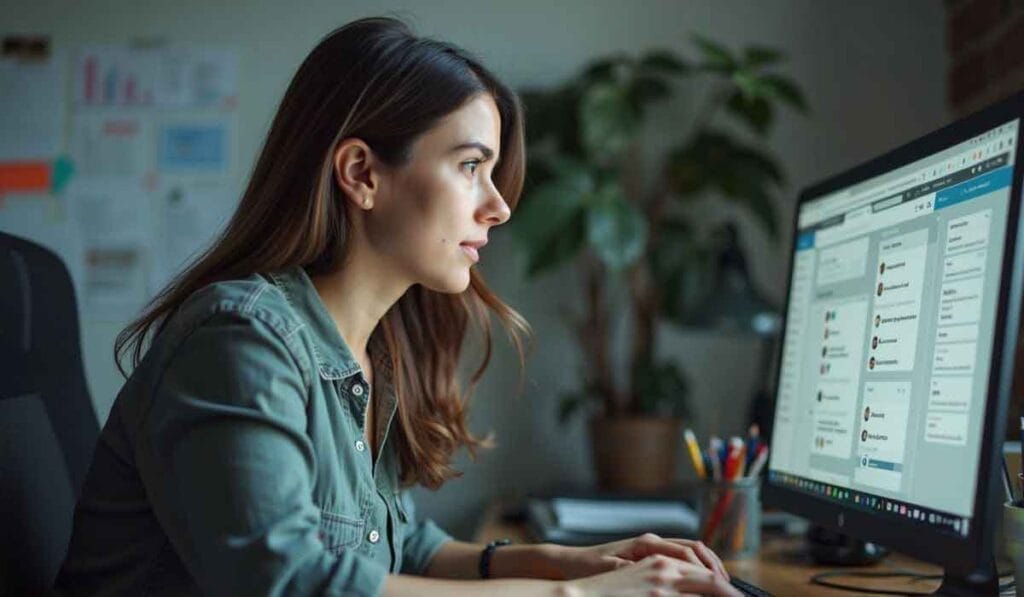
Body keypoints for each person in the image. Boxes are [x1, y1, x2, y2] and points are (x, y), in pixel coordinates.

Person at [55, 17, 738, 597]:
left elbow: (401, 542)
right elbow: (286, 580)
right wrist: (570, 594)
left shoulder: (367, 348)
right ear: (361, 174)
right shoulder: (240, 340)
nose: (498, 205)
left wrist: (574, 560)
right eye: (471, 166)